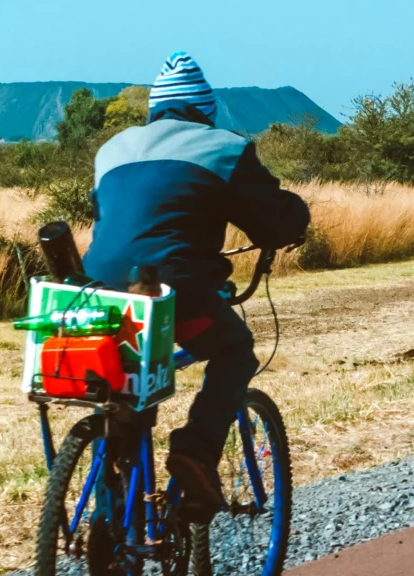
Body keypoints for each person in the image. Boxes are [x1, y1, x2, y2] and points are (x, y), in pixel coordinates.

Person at [84, 52, 309, 519]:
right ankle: (195, 452)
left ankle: (113, 517)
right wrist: (293, 223)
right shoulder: (223, 148)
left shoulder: (113, 149)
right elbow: (270, 218)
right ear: (205, 111)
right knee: (234, 352)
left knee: (130, 384)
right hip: (174, 290)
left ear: (153, 110)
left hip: (97, 288)